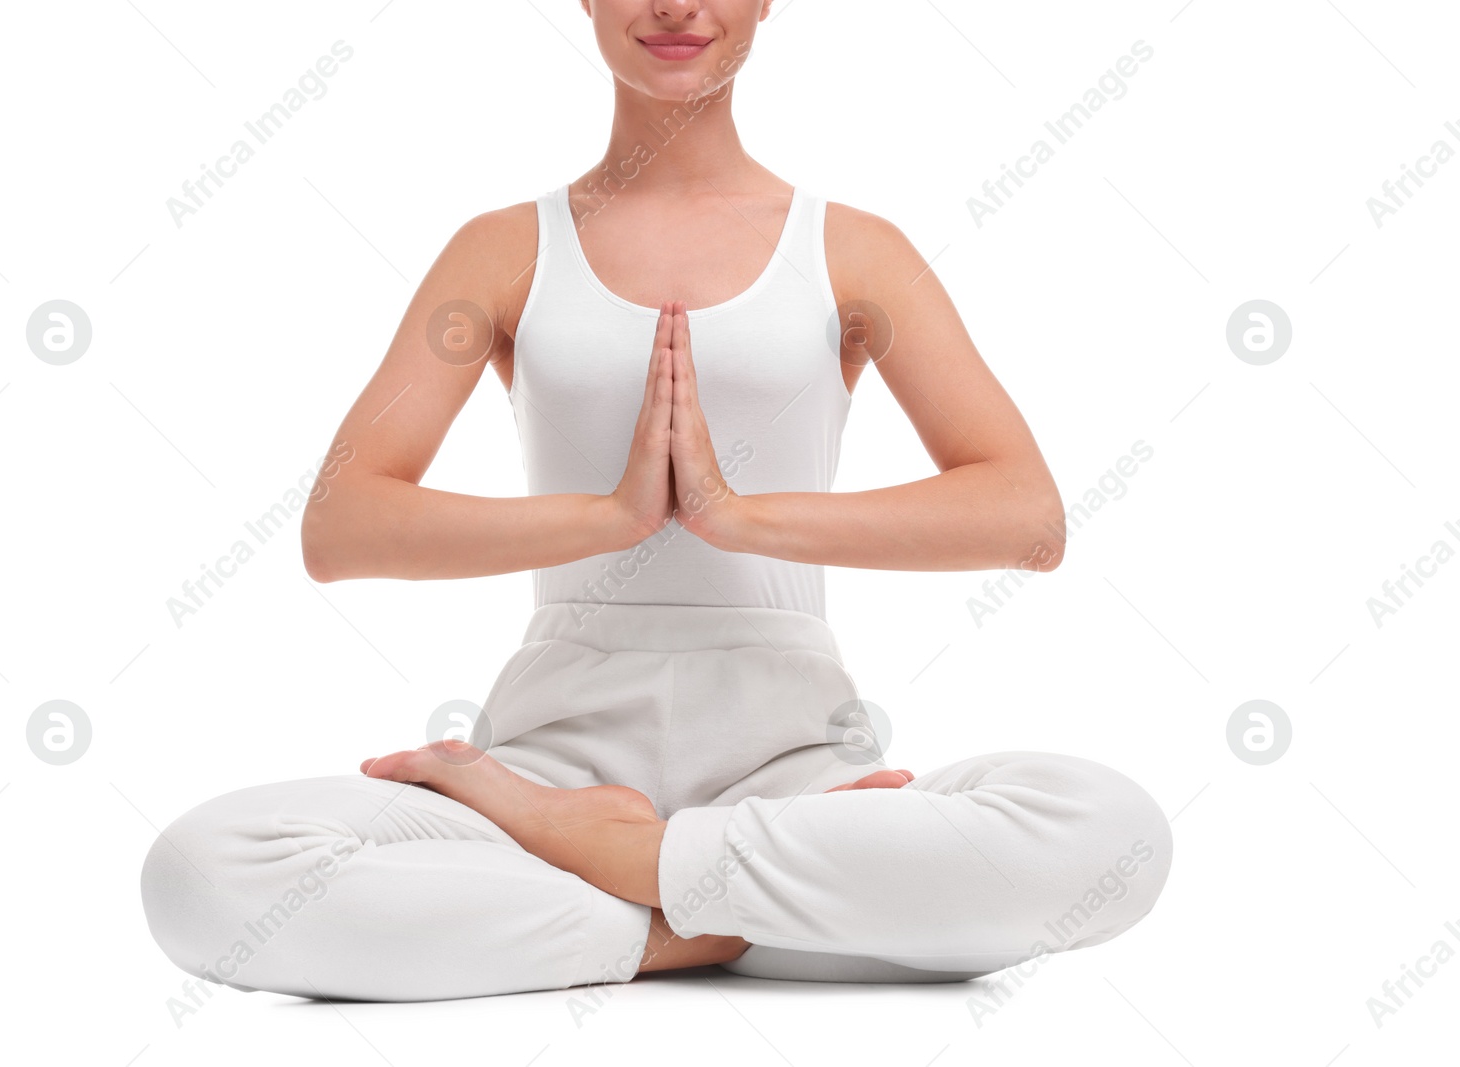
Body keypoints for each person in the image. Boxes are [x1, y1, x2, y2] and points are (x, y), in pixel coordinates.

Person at [140, 0, 1171, 1002]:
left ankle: (617, 868)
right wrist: (612, 516)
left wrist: (736, 513)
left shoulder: (853, 248)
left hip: (794, 773)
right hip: (546, 769)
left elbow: (1025, 517)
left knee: (1113, 834)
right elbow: (341, 525)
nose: (676, 5)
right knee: (202, 872)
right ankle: (709, 915)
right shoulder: (504, 247)